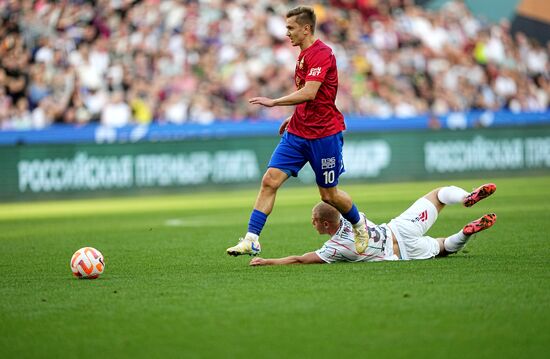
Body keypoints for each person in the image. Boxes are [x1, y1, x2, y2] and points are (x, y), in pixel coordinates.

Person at [227, 6, 371, 256]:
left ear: (306, 29)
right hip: (298, 131)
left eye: (291, 28)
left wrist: (274, 102)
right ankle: (252, 239)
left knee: (329, 195)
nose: (286, 33)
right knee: (269, 180)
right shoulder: (303, 54)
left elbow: (310, 92)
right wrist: (293, 116)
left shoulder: (322, 53)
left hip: (324, 134)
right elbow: (312, 98)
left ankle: (360, 226)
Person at [249, 183, 497, 266]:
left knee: (444, 247)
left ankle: (465, 233)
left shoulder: (335, 248)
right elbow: (340, 199)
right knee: (440, 194)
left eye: (314, 221)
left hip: (403, 253)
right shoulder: (353, 216)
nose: (312, 225)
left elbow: (300, 259)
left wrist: (267, 261)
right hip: (401, 227)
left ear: (324, 223)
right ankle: (465, 197)